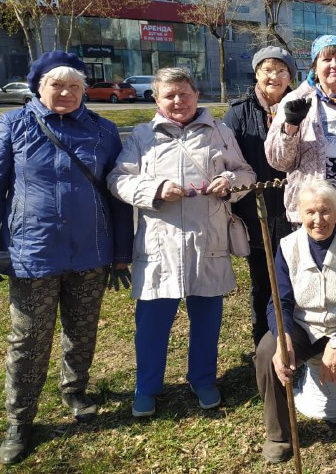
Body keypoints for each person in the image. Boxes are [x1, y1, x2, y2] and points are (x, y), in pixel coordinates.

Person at [0, 51, 133, 465]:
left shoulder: (103, 131)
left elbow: (118, 195)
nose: (67, 93)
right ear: (39, 87)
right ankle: (20, 420)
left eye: (75, 86)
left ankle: (75, 389)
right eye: (57, 85)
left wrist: (121, 252)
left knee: (82, 329)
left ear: (84, 90)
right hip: (32, 251)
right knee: (29, 338)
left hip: (91, 252)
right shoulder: (14, 125)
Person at [107, 67, 256, 418]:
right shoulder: (143, 136)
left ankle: (202, 379)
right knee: (152, 324)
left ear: (196, 95)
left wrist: (229, 180)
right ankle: (147, 386)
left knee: (207, 319)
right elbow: (118, 180)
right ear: (157, 99)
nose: (178, 101)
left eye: (183, 93)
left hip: (208, 241)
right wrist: (155, 189)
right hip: (160, 245)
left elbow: (247, 173)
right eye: (169, 95)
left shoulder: (219, 132)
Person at [255, 179, 336, 466]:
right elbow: (280, 302)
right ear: (300, 214)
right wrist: (283, 336)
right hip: (304, 325)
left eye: (325, 211)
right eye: (310, 212)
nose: (318, 220)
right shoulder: (288, 247)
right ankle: (278, 434)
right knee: (267, 352)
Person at [265, 35, 336, 227]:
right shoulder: (296, 100)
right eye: (327, 59)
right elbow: (280, 162)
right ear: (315, 68)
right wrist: (291, 127)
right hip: (314, 208)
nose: (335, 64)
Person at [223, 46, 295, 348]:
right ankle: (264, 343)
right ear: (257, 74)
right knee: (262, 280)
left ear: (290, 76)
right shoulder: (239, 112)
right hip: (257, 209)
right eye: (268, 69)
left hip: (294, 209)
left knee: (294, 278)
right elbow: (226, 158)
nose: (274, 76)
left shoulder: (301, 106)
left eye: (281, 70)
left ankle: (293, 339)